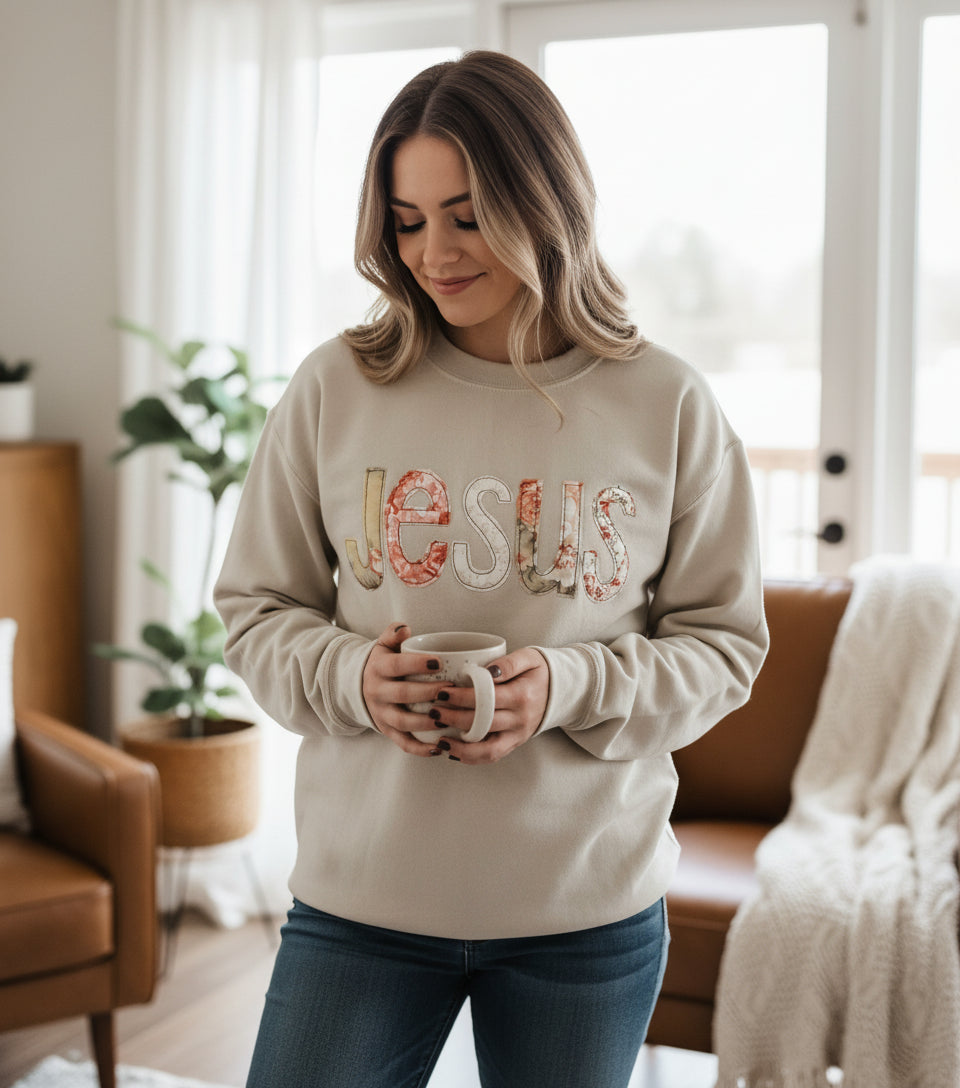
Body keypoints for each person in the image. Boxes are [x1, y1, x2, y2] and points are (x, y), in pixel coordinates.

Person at [214, 49, 768, 1088]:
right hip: (362, 905)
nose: (433, 252)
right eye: (408, 218)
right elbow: (256, 607)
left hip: (586, 915)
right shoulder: (337, 384)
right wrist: (352, 678)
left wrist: (569, 684)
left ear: (546, 199)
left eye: (468, 214)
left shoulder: (668, 402)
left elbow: (725, 645)